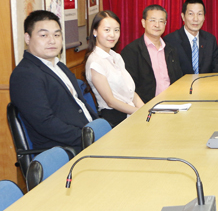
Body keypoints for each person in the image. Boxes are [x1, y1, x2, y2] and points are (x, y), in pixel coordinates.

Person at [9, 10, 97, 152]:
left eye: (56, 35)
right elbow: (45, 123)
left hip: (88, 137)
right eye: (44, 35)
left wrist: (100, 129)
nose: (52, 40)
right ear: (27, 38)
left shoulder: (59, 66)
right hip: (65, 150)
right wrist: (88, 138)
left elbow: (81, 105)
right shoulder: (25, 75)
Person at [85, 11, 144, 127]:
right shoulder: (95, 62)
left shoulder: (116, 56)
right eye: (107, 30)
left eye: (116, 30)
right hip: (115, 119)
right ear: (95, 32)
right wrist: (140, 112)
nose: (112, 35)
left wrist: (146, 109)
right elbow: (110, 101)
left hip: (130, 112)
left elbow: (130, 92)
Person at [121, 5, 183, 103]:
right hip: (145, 106)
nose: (157, 25)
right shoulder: (131, 51)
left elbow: (178, 80)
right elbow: (129, 87)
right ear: (143, 23)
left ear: (165, 24)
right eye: (152, 20)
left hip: (172, 103)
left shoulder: (171, 49)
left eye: (161, 21)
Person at [164, 0, 218, 75]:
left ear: (204, 17)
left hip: (207, 82)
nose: (195, 19)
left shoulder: (210, 40)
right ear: (183, 16)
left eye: (199, 14)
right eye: (191, 14)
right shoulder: (170, 41)